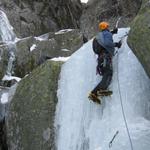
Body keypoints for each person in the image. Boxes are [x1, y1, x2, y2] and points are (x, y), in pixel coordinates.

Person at [89, 21, 122, 102]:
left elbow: (105, 39)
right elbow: (107, 43)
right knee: (108, 73)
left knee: (107, 74)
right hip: (105, 57)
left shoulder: (100, 35)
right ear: (106, 27)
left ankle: (101, 90)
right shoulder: (107, 34)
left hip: (101, 59)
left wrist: (113, 32)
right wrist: (116, 44)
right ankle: (94, 93)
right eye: (107, 26)